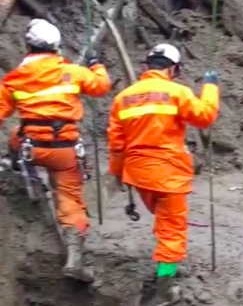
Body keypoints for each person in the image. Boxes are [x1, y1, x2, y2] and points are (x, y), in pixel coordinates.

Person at [107, 44, 219, 305]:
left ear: (147, 66)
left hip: (137, 174)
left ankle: (165, 265)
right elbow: (205, 116)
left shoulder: (123, 97)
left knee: (164, 222)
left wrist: (117, 173)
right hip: (168, 174)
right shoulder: (177, 92)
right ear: (173, 68)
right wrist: (211, 86)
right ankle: (166, 288)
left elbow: (116, 142)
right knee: (171, 231)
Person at [0, 19, 111, 282]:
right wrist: (97, 65)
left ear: (28, 46)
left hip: (31, 148)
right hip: (66, 151)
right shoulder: (72, 72)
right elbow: (101, 86)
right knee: (71, 201)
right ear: (56, 47)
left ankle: (17, 168)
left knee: (17, 133)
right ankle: (75, 255)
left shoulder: (15, 78)